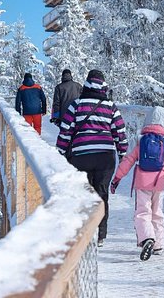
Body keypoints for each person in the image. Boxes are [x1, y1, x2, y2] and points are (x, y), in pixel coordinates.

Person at [56, 69, 128, 247]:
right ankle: (100, 234)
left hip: (81, 155)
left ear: (86, 84)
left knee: (84, 194)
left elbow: (66, 130)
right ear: (103, 85)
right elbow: (120, 131)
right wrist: (122, 152)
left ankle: (86, 231)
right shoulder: (110, 106)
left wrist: (60, 151)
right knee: (101, 193)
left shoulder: (76, 104)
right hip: (105, 157)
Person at [110, 106, 164, 261]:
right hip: (159, 183)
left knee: (143, 212)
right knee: (157, 212)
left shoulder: (139, 140)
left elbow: (128, 160)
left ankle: (147, 238)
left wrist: (117, 178)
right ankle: (158, 245)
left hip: (142, 182)